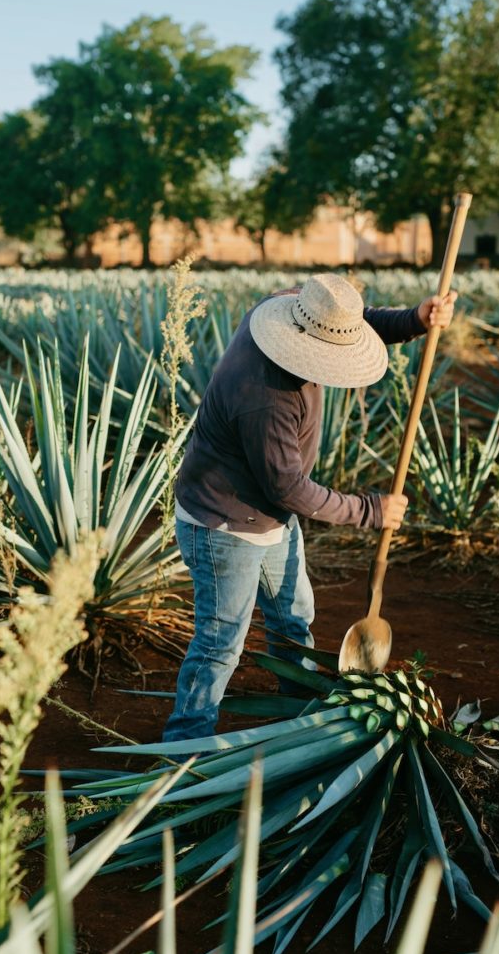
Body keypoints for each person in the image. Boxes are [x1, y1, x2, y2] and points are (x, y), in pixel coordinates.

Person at [164, 273, 457, 742]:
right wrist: (370, 511)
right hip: (224, 525)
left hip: (269, 520)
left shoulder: (289, 310)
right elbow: (289, 489)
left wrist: (412, 320)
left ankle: (298, 722)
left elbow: (351, 321)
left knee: (292, 620)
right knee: (220, 643)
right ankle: (183, 749)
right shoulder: (265, 398)